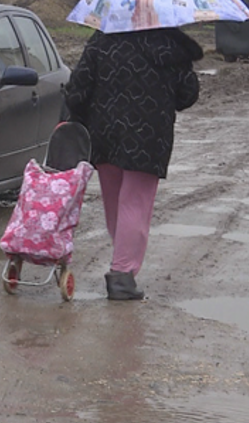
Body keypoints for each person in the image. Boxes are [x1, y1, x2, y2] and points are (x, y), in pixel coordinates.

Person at [64, 27, 202, 300]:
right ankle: (122, 274)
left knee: (115, 202)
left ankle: (122, 262)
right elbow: (187, 96)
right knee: (135, 203)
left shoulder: (103, 39)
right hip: (149, 137)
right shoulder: (170, 44)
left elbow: (78, 88)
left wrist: (80, 118)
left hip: (104, 133)